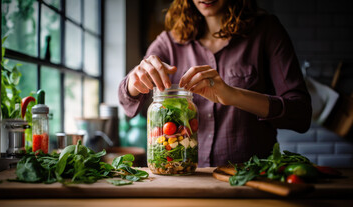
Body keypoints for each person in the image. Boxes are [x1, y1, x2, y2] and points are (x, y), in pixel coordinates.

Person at [118, 0, 312, 167]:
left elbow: (301, 114)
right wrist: (135, 81)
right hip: (184, 177)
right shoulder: (169, 41)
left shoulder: (266, 31)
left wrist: (234, 95)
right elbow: (126, 99)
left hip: (251, 177)